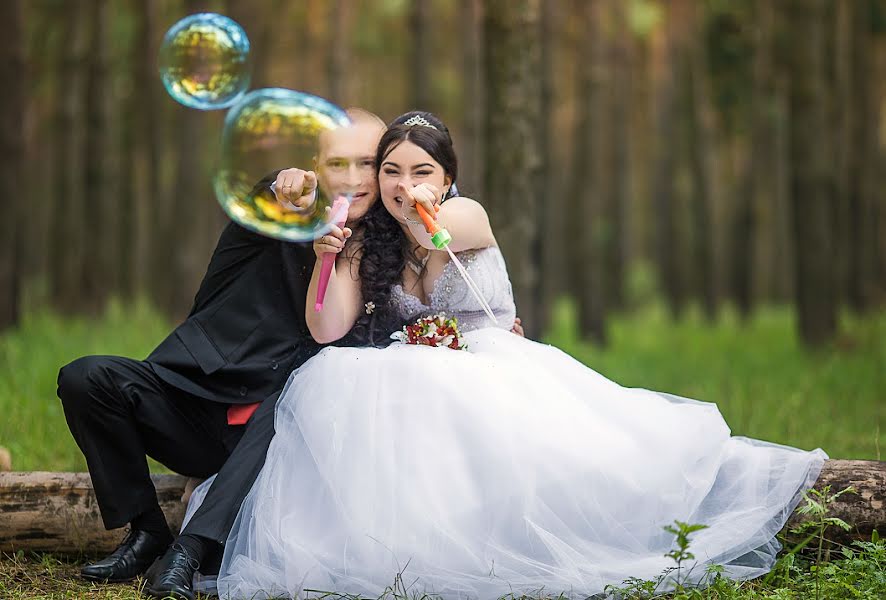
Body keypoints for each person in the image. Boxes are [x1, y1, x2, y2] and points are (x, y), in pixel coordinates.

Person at [194, 111, 826, 599]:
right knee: (338, 376)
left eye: (420, 172)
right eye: (390, 171)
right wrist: (329, 257)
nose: (402, 184)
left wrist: (401, 212)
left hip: (487, 360)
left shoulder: (464, 213)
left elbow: (432, 229)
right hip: (412, 371)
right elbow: (327, 328)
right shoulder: (362, 244)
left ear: (447, 177)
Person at [56, 109, 387, 588]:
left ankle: (189, 552)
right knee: (86, 377)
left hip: (284, 438)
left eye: (367, 163)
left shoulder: (387, 247)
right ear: (315, 166)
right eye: (338, 163)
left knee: (297, 394)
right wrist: (283, 186)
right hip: (200, 404)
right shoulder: (282, 215)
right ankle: (146, 530)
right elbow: (272, 195)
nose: (353, 178)